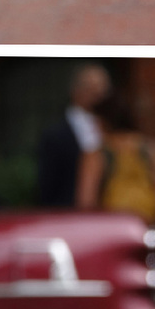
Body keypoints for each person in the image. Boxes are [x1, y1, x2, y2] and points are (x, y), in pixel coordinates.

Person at [76, 95, 155, 225]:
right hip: (148, 225)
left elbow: (86, 202)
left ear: (103, 121)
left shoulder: (96, 155)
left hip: (112, 228)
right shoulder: (152, 149)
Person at [37, 64, 112, 207]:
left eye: (103, 89)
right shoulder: (54, 135)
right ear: (75, 91)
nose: (99, 95)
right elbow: (47, 188)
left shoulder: (116, 130)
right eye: (92, 89)